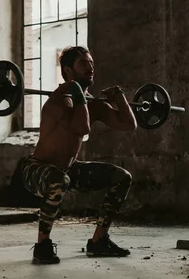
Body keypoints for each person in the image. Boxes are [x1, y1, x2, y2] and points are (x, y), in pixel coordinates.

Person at [21, 46, 138, 264]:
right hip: (37, 169)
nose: (90, 68)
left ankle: (99, 241)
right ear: (67, 70)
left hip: (68, 169)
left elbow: (128, 124)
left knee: (122, 177)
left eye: (91, 63)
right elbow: (82, 128)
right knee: (58, 179)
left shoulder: (91, 103)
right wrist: (78, 96)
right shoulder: (59, 101)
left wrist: (119, 97)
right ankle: (42, 246)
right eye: (83, 64)